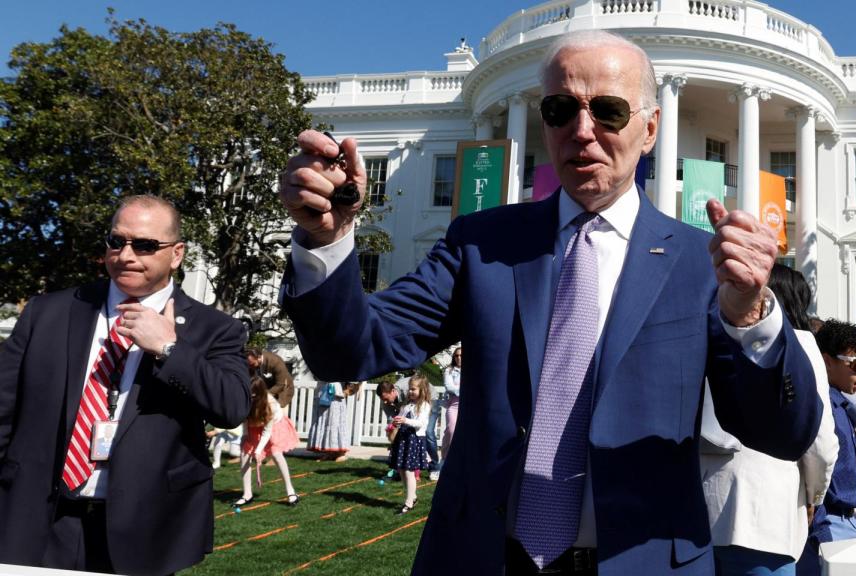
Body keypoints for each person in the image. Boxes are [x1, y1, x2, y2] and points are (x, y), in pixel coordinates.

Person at [278, 29, 821, 576]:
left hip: (646, 561)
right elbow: (352, 351)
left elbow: (782, 432)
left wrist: (750, 316)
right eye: (562, 109)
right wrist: (326, 243)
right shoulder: (482, 243)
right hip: (486, 557)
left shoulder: (696, 264)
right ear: (545, 122)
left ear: (650, 128)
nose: (582, 131)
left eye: (608, 110)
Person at [0, 195, 250, 575]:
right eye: (117, 241)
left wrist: (169, 349)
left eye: (146, 245)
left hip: (146, 527)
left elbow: (231, 406)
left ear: (177, 254)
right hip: (39, 519)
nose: (126, 255)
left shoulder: (214, 329)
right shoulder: (48, 312)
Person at [700, 264, 838, 575]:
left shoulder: (711, 337)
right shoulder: (801, 343)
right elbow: (820, 440)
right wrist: (815, 494)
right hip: (767, 510)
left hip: (701, 502)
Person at [796, 320, 856, 576]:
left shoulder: (841, 404)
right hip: (828, 519)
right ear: (826, 360)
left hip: (849, 518)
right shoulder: (823, 404)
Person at [235, 376, 301, 507]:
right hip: (253, 426)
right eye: (250, 395)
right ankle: (247, 494)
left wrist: (258, 450)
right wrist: (245, 437)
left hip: (272, 427)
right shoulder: (245, 400)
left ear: (260, 393)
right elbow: (245, 421)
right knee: (245, 454)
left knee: (276, 454)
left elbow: (267, 432)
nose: (252, 398)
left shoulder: (270, 404)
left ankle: (290, 491)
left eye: (254, 396)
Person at [390, 374, 432, 514]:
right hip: (403, 439)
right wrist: (396, 422)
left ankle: (408, 502)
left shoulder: (424, 406)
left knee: (409, 471)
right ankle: (412, 497)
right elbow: (401, 419)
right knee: (401, 469)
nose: (410, 391)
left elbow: (420, 424)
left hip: (413, 440)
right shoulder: (407, 405)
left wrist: (405, 421)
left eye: (413, 389)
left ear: (422, 390)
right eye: (409, 389)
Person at [307, 381, 359, 461]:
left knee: (335, 422)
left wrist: (348, 388)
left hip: (336, 395)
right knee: (325, 422)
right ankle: (329, 452)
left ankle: (341, 453)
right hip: (323, 391)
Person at [442, 347, 463, 464]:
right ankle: (444, 458)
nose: (459, 358)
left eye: (461, 355)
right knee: (451, 430)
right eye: (456, 356)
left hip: (468, 405)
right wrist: (464, 390)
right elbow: (449, 387)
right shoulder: (449, 370)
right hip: (454, 405)